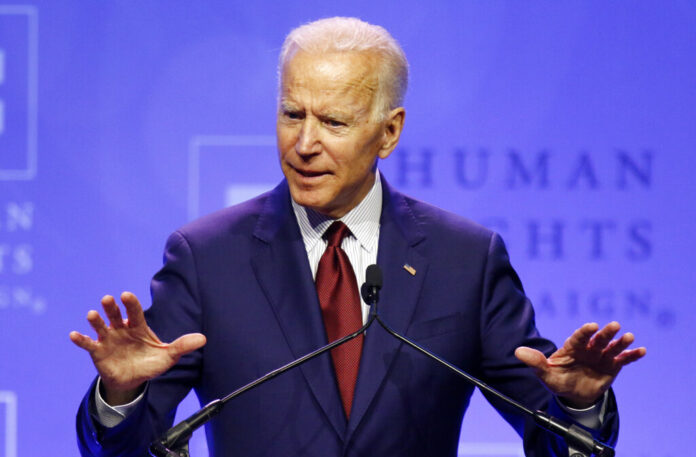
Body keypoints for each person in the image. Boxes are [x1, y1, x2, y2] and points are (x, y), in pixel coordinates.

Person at [70, 17, 646, 457]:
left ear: (388, 132)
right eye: (292, 114)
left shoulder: (463, 259)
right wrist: (120, 397)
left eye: (334, 122)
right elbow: (131, 449)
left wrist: (578, 403)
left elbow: (555, 442)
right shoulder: (207, 257)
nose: (304, 143)